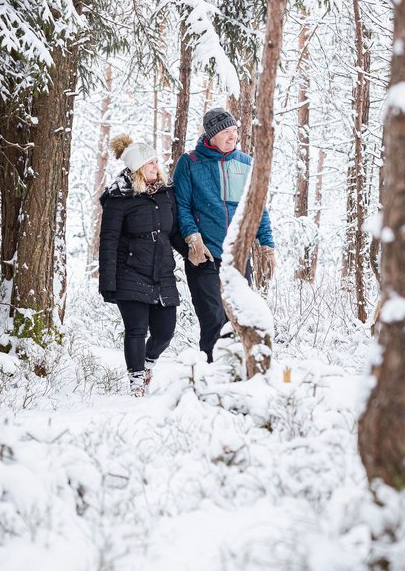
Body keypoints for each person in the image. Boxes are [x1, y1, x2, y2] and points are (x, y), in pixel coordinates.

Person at [173, 107, 275, 363]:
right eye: (226, 132)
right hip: (204, 255)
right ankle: (210, 372)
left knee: (238, 318)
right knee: (213, 318)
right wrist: (192, 237)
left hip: (238, 256)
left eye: (234, 131)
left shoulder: (245, 163)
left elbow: (256, 206)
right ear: (212, 135)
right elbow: (182, 206)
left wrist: (267, 244)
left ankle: (236, 371)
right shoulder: (190, 162)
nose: (232, 136)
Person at [98, 134, 187, 397]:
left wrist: (192, 253)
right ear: (137, 168)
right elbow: (109, 241)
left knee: (165, 332)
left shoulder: (165, 194)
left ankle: (148, 363)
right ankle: (136, 381)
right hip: (130, 272)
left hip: (162, 273)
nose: (155, 167)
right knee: (136, 330)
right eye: (149, 163)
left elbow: (173, 233)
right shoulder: (119, 197)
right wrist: (108, 283)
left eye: (156, 161)